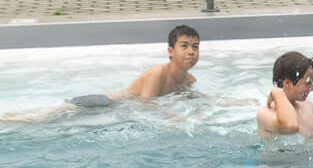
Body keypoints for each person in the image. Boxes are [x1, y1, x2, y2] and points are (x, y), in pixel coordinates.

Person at [2, 25, 202, 121]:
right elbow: (146, 105)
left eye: (195, 46)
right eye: (184, 46)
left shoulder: (189, 80)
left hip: (108, 110)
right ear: (170, 51)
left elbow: (194, 97)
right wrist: (174, 117)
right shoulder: (158, 73)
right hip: (97, 103)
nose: (191, 51)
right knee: (36, 119)